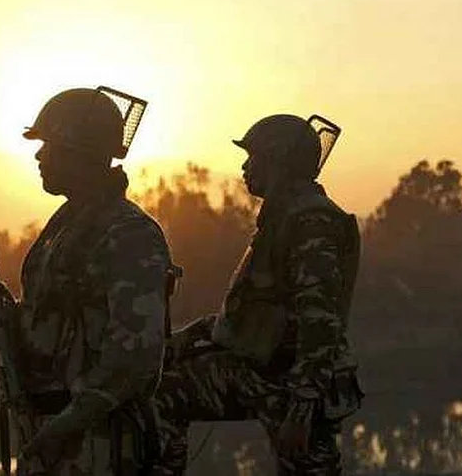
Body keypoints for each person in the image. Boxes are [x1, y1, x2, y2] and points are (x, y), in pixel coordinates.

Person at [152, 114, 364, 476]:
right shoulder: (284, 216)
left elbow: (319, 321)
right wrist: (189, 338)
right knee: (163, 390)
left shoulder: (310, 221)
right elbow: (259, 310)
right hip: (264, 371)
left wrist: (303, 405)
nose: (245, 167)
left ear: (278, 161)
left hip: (290, 381)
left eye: (254, 157)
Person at [0, 87, 175, 476]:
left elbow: (135, 358)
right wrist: (14, 325)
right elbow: (65, 319)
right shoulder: (68, 224)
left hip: (100, 445)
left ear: (79, 151)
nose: (39, 156)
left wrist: (67, 426)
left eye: (49, 145)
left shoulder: (128, 232)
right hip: (54, 435)